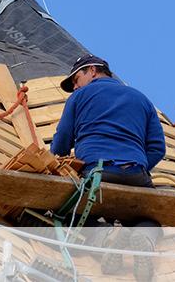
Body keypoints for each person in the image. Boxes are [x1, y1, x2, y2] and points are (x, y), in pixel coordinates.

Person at [51, 54, 166, 281]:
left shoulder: (80, 97)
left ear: (92, 70)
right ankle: (144, 240)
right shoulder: (141, 99)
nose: (75, 86)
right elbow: (157, 148)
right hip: (137, 174)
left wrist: (56, 163)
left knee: (71, 215)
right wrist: (136, 165)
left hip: (98, 173)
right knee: (149, 219)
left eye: (76, 79)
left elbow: (62, 142)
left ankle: (105, 239)